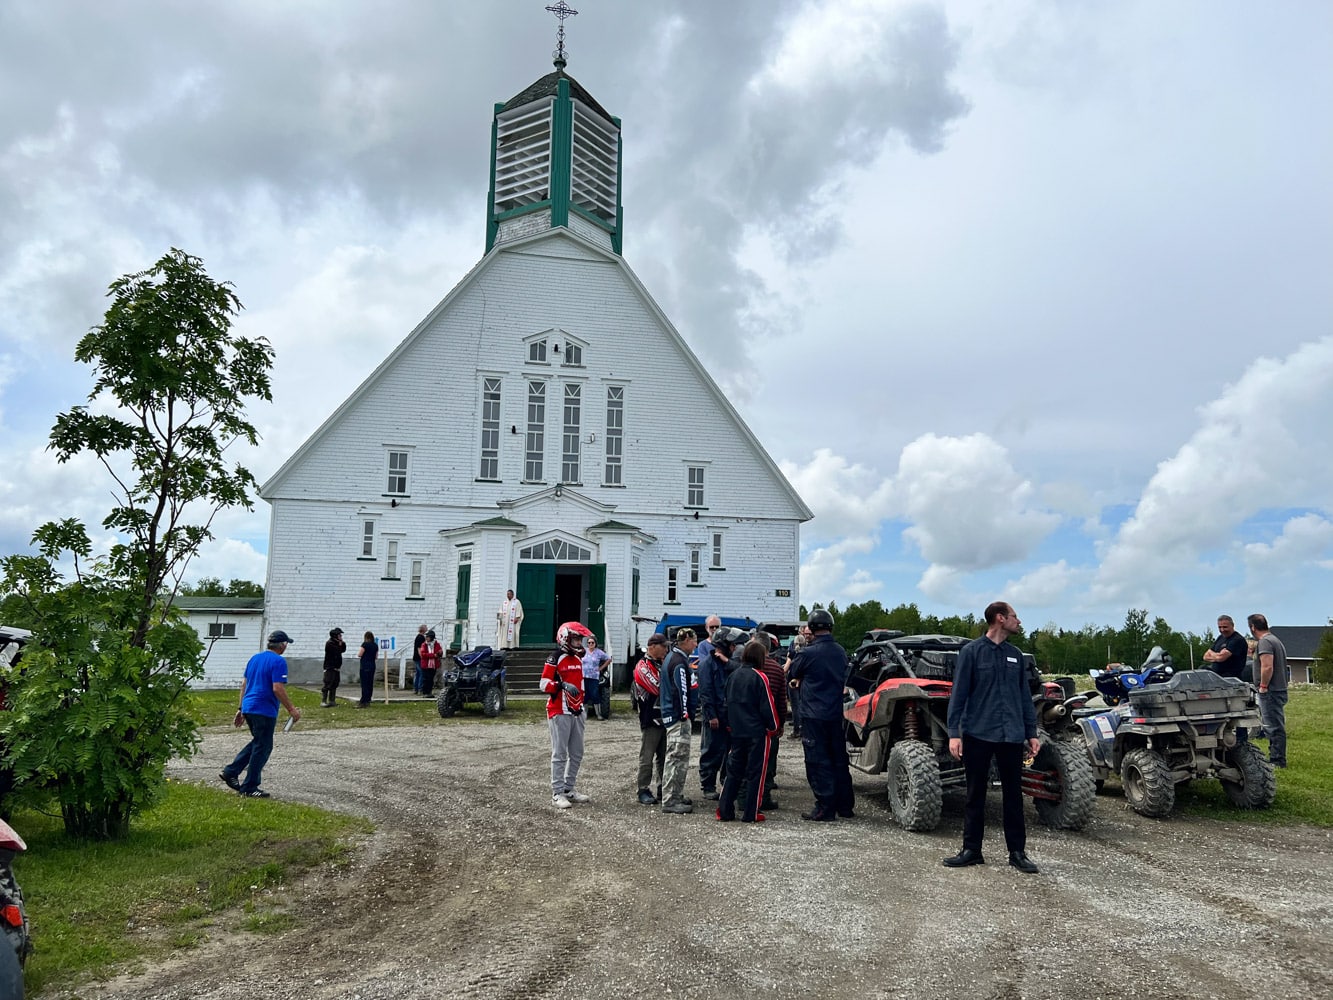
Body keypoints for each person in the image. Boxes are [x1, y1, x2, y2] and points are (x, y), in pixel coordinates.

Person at [943, 602, 1041, 874]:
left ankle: (1017, 853)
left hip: (1011, 736)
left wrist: (1031, 732)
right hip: (978, 733)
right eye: (1014, 616)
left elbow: (1023, 696)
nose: (1018, 621)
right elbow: (959, 694)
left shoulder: (1015, 655)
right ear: (1000, 618)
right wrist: (954, 734)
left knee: (1013, 796)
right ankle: (971, 850)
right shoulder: (972, 653)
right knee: (975, 794)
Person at [789, 608, 854, 822]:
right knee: (838, 758)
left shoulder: (807, 653)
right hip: (835, 713)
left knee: (818, 760)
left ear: (813, 629)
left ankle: (825, 807)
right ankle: (845, 806)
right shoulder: (840, 651)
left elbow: (793, 672)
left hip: (814, 714)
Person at [219, 630, 302, 798]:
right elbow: (277, 687)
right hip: (264, 708)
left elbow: (244, 684)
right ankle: (249, 786)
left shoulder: (254, 659)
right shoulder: (278, 661)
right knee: (263, 746)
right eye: (286, 644)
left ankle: (232, 771)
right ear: (283, 645)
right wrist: (291, 709)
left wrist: (241, 708)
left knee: (259, 742)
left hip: (249, 705)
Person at [717, 640, 780, 823]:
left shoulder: (733, 676)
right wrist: (773, 727)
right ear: (760, 658)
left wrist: (728, 724)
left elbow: (725, 704)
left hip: (736, 731)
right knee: (755, 773)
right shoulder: (760, 677)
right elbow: (768, 705)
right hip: (756, 733)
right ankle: (750, 813)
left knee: (733, 771)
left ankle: (725, 810)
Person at [540, 621, 594, 808]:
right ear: (565, 639)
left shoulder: (578, 659)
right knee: (560, 753)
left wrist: (582, 705)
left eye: (581, 640)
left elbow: (581, 685)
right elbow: (543, 684)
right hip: (559, 710)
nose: (580, 643)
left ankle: (568, 789)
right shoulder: (555, 658)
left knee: (577, 752)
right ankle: (556, 792)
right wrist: (561, 685)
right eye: (576, 639)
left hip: (577, 711)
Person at [698, 626, 745, 799]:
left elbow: (741, 671)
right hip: (715, 717)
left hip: (729, 716)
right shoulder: (707, 665)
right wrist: (711, 716)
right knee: (711, 751)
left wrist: (727, 661)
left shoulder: (729, 663)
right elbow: (706, 692)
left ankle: (726, 782)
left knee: (729, 752)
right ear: (724, 645)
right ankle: (708, 786)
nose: (735, 648)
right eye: (732, 645)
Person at [658, 627, 699, 814]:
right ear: (686, 640)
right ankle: (670, 800)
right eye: (694, 640)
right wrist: (685, 714)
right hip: (677, 717)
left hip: (672, 715)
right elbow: (681, 690)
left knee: (676, 757)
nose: (696, 644)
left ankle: (675, 794)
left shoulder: (672, 658)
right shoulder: (679, 662)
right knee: (676, 758)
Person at [754, 631, 789, 811]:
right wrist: (781, 723)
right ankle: (764, 796)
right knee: (768, 761)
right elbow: (782, 700)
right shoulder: (776, 669)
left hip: (749, 722)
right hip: (770, 723)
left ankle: (745, 796)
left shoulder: (748, 667)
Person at [632, 633, 668, 804]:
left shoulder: (663, 663)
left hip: (666, 717)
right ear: (653, 646)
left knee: (665, 756)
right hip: (650, 717)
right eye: (664, 646)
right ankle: (643, 789)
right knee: (647, 756)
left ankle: (663, 788)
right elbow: (658, 688)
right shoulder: (642, 665)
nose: (666, 649)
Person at [1248, 614, 1288, 768]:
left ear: (1253, 627)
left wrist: (1263, 686)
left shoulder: (1265, 642)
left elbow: (1267, 666)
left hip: (1271, 690)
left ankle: (1277, 760)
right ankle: (1275, 756)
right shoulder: (1275, 640)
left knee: (1273, 726)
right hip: (1279, 688)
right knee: (1274, 724)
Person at [785, 623, 812, 737]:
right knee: (803, 705)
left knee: (795, 706)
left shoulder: (792, 653)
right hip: (803, 682)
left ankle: (797, 730)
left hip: (792, 682)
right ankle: (804, 729)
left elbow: (786, 668)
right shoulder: (807, 652)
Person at [581, 634, 612, 720]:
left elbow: (609, 659)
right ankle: (585, 714)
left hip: (594, 676)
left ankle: (598, 714)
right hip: (584, 676)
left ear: (595, 643)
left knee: (595, 694)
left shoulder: (599, 652)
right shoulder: (584, 651)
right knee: (585, 695)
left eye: (592, 642)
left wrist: (601, 668)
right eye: (589, 642)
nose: (590, 644)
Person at [321, 627, 345, 707]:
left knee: (335, 683)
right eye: (339, 635)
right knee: (328, 682)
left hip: (337, 667)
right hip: (330, 667)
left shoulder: (338, 643)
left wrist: (341, 643)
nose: (341, 637)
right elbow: (336, 651)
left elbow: (343, 650)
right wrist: (339, 645)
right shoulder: (330, 643)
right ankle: (323, 700)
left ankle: (332, 700)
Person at [357, 631, 378, 708]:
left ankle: (363, 701)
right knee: (370, 683)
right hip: (372, 665)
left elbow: (360, 654)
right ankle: (368, 699)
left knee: (364, 684)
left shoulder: (364, 644)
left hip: (364, 666)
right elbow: (376, 657)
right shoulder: (375, 646)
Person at [419, 629, 442, 697]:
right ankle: (425, 692)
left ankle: (429, 692)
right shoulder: (424, 645)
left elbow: (439, 652)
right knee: (426, 679)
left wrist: (440, 653)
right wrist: (433, 655)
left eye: (428, 637)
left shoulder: (437, 644)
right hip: (426, 664)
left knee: (431, 679)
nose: (426, 638)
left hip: (433, 665)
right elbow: (423, 654)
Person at [412, 624, 428, 695]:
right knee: (421, 673)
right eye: (426, 628)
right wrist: (422, 657)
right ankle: (420, 688)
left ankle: (415, 688)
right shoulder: (420, 638)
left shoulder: (418, 637)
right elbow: (419, 648)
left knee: (418, 673)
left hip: (416, 657)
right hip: (419, 658)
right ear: (423, 629)